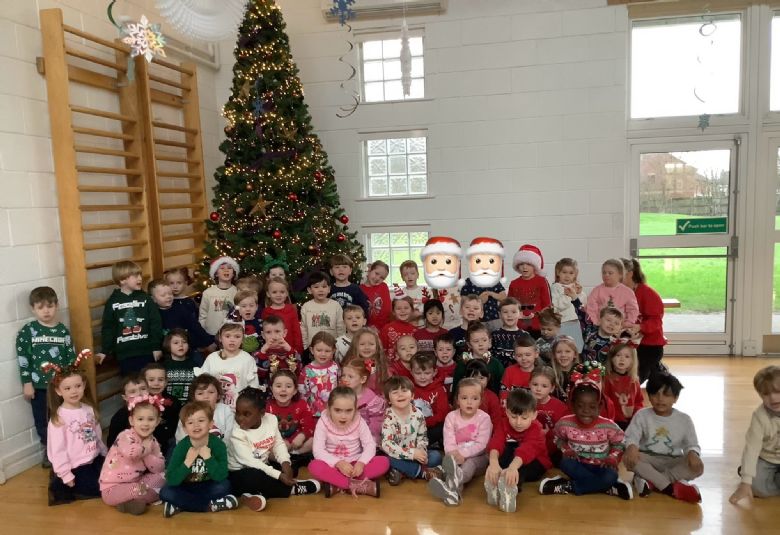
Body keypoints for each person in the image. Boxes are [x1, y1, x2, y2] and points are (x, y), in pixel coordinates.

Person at [539, 370, 632, 500]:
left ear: (600, 406)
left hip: (601, 466)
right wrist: (567, 449)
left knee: (611, 475)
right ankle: (606, 486)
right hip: (578, 465)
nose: (586, 411)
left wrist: (612, 457)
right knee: (565, 463)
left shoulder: (608, 426)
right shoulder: (565, 423)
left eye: (592, 407)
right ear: (572, 405)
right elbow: (557, 437)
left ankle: (568, 486)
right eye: (580, 406)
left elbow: (620, 442)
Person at [228, 387, 320, 512]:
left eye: (246, 414)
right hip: (241, 473)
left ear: (262, 413)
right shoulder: (237, 433)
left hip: (263, 465)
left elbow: (278, 444)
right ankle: (293, 489)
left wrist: (285, 463)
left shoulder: (271, 419)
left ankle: (251, 495)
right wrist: (279, 475)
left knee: (292, 469)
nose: (240, 418)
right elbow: (251, 462)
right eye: (237, 413)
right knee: (255, 477)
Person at [16, 286, 77, 468]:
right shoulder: (28, 331)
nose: (46, 311)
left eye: (50, 306)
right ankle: (49, 450)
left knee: (64, 417)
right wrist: (27, 382)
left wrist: (72, 381)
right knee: (42, 420)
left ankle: (69, 448)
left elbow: (71, 357)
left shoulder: (62, 331)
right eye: (40, 307)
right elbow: (23, 359)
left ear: (56, 306)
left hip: (61, 387)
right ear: (33, 309)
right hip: (40, 387)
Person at [624, 372, 703, 503]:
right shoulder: (642, 415)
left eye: (666, 395)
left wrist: (693, 453)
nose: (660, 399)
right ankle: (670, 489)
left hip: (673, 461)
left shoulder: (684, 419)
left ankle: (652, 482)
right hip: (648, 459)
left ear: (676, 398)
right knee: (629, 458)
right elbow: (632, 436)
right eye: (655, 394)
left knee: (697, 467)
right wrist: (631, 447)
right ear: (649, 396)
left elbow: (692, 444)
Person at [46, 353, 107, 506]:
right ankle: (62, 481)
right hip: (76, 466)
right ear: (58, 391)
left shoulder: (88, 409)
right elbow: (57, 450)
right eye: (67, 388)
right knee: (103, 488)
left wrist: (104, 454)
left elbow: (96, 435)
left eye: (77, 386)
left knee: (114, 476)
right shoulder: (59, 418)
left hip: (94, 459)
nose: (74, 391)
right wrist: (66, 475)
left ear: (84, 386)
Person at [308, 387, 390, 497]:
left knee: (384, 462)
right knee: (314, 466)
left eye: (349, 411)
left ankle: (336, 485)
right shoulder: (323, 422)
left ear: (355, 409)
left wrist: (361, 463)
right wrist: (338, 463)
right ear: (328, 408)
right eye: (337, 410)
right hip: (333, 466)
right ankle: (355, 485)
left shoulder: (359, 421)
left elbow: (370, 445)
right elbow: (318, 450)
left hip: (355, 465)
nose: (343, 416)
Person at [160, 401, 237, 517]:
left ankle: (179, 505)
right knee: (165, 492)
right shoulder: (181, 447)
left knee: (225, 486)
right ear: (185, 429)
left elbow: (221, 476)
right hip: (186, 486)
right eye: (190, 422)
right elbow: (171, 479)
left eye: (201, 421)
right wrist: (187, 462)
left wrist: (208, 458)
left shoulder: (218, 445)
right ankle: (212, 506)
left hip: (209, 486)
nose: (196, 425)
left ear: (211, 424)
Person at [428, 378, 492, 506]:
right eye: (464, 398)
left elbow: (482, 445)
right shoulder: (451, 417)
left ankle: (454, 479)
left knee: (470, 464)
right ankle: (453, 493)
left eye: (474, 398)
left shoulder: (484, 418)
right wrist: (454, 456)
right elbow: (448, 441)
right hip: (455, 457)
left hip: (478, 458)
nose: (469, 402)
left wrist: (463, 454)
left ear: (480, 401)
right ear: (457, 400)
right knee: (450, 464)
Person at [485, 389, 551, 513]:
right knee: (503, 451)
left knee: (521, 465)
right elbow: (496, 442)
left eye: (524, 418)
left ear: (534, 415)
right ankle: (496, 481)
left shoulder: (536, 429)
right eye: (514, 417)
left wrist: (512, 468)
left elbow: (526, 451)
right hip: (513, 458)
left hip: (535, 462)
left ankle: (510, 489)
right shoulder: (503, 423)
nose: (518, 422)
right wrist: (493, 463)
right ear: (507, 412)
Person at [99, 394, 166, 515]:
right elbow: (132, 454)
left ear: (157, 421)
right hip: (112, 488)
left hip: (136, 482)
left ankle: (130, 503)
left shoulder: (152, 441)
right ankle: (150, 496)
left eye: (150, 419)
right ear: (131, 421)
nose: (145, 424)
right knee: (139, 490)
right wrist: (145, 448)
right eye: (140, 419)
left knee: (164, 476)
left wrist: (147, 453)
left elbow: (158, 467)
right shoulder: (125, 436)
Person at [98, 261, 162, 375]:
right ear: (122, 280)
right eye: (135, 276)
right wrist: (105, 351)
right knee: (131, 382)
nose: (140, 278)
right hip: (124, 354)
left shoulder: (146, 299)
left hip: (146, 351)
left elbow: (155, 323)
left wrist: (156, 347)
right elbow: (108, 328)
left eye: (140, 275)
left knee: (149, 380)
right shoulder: (112, 302)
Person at [729, 365, 780, 504]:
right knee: (756, 489)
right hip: (766, 458)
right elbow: (751, 449)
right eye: (766, 394)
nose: (773, 398)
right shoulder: (759, 417)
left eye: (778, 392)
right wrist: (746, 482)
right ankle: (748, 471)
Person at [381, 376, 444, 486]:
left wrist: (421, 451)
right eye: (395, 392)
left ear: (412, 396)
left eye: (404, 391)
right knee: (385, 460)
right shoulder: (388, 417)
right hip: (397, 455)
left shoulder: (418, 414)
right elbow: (387, 444)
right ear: (388, 400)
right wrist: (411, 454)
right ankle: (422, 473)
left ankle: (403, 472)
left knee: (436, 456)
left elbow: (422, 437)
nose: (400, 395)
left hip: (416, 455)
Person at [621, 258, 667, 383]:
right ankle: (655, 368)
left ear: (630, 274)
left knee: (634, 380)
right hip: (628, 342)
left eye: (619, 273)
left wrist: (640, 327)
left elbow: (656, 322)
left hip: (649, 345)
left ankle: (655, 368)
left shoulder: (648, 293)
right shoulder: (617, 293)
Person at [198, 322, 260, 410]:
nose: (232, 340)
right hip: (215, 408)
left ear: (243, 339)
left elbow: (253, 386)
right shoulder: (212, 358)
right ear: (220, 338)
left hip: (239, 409)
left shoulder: (247, 359)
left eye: (237, 337)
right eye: (227, 336)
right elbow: (203, 382)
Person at [266, 370, 316, 476]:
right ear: (271, 389)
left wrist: (302, 436)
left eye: (288, 386)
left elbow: (310, 425)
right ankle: (287, 461)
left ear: (295, 390)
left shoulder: (301, 404)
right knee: (265, 450)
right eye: (278, 386)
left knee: (314, 441)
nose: (283, 389)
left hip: (296, 444)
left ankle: (293, 456)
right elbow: (265, 430)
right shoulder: (267, 406)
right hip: (276, 444)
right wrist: (280, 443)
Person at [151, 279, 214, 359]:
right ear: (153, 299)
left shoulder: (181, 310)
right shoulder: (153, 314)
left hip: (187, 350)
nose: (168, 297)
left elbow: (195, 326)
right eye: (163, 295)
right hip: (166, 354)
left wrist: (209, 341)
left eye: (170, 293)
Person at [507, 244, 551, 338]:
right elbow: (509, 306)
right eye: (521, 264)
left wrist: (546, 325)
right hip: (518, 327)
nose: (524, 267)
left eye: (528, 264)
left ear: (535, 266)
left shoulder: (542, 281)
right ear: (517, 266)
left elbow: (547, 305)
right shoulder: (514, 284)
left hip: (538, 327)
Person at [175, 374, 234, 442]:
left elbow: (230, 437)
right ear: (194, 397)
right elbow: (181, 439)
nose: (206, 396)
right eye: (200, 393)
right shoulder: (187, 412)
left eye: (211, 392)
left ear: (218, 395)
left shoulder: (226, 410)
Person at [341, 357, 386, 443]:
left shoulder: (372, 399)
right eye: (343, 375)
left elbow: (376, 422)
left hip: (366, 436)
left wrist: (366, 436)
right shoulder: (340, 394)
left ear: (363, 379)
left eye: (350, 376)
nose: (345, 379)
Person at [453, 322, 505, 395]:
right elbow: (456, 389)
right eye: (476, 341)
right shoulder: (462, 364)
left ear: (490, 342)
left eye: (484, 340)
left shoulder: (496, 365)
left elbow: (501, 390)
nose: (480, 344)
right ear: (469, 344)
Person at [142, 363, 182, 455]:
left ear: (166, 382)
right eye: (151, 380)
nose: (156, 383)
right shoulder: (140, 403)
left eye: (160, 380)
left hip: (169, 445)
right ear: (143, 382)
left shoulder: (174, 402)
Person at [410, 352, 449, 448]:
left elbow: (442, 414)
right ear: (411, 372)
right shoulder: (408, 388)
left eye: (427, 373)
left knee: (443, 427)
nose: (422, 377)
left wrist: (423, 423)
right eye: (418, 373)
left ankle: (420, 446)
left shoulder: (440, 390)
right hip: (412, 427)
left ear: (434, 372)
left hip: (431, 428)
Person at [300, 272, 345, 352]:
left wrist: (339, 347)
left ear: (329, 289)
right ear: (309, 290)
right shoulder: (306, 307)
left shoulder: (335, 305)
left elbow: (341, 327)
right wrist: (305, 347)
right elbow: (304, 329)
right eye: (316, 287)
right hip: (313, 349)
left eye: (324, 286)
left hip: (332, 348)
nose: (321, 290)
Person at [586, 259, 639, 327]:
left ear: (620, 275)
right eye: (604, 273)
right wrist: (595, 323)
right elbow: (591, 309)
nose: (606, 275)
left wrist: (629, 322)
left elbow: (633, 310)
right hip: (600, 327)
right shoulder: (596, 291)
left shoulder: (628, 292)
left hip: (620, 327)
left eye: (610, 273)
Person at [298, 331, 340, 418]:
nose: (323, 354)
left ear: (333, 351)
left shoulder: (336, 367)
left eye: (327, 351)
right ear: (312, 350)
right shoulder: (307, 370)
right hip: (314, 414)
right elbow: (302, 392)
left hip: (334, 412)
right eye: (319, 350)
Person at [530, 366, 567, 461]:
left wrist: (549, 433)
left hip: (552, 448)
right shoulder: (525, 403)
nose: (538, 389)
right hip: (529, 445)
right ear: (529, 384)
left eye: (544, 386)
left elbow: (563, 432)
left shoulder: (559, 407)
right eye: (535, 384)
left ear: (552, 388)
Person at [255, 314, 302, 391]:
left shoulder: (291, 351)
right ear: (263, 335)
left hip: (289, 391)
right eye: (268, 332)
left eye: (277, 331)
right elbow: (259, 375)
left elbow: (298, 369)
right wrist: (263, 352)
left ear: (284, 333)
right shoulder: (259, 354)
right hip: (268, 392)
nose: (273, 336)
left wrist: (289, 350)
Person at [604, 342, 643, 430]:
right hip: (612, 421)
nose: (622, 359)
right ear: (611, 358)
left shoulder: (634, 380)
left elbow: (639, 401)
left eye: (627, 356)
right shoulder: (607, 379)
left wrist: (637, 416)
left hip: (631, 421)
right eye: (618, 355)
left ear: (632, 361)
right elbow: (604, 402)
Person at [550, 258, 587, 352]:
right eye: (564, 272)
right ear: (558, 272)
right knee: (562, 348)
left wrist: (579, 293)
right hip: (563, 323)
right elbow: (557, 306)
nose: (567, 276)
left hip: (577, 323)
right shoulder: (555, 287)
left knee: (577, 349)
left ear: (575, 274)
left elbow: (582, 306)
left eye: (571, 273)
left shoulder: (575, 287)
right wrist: (570, 295)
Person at [261, 276, 303, 355]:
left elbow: (297, 331)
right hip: (272, 351)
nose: (278, 295)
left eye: (282, 292)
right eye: (274, 292)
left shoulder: (291, 310)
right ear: (268, 294)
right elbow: (265, 332)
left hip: (290, 349)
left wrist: (297, 350)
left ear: (287, 293)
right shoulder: (266, 312)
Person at [199, 256, 239, 336]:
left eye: (229, 268)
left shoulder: (237, 292)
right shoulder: (208, 293)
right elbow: (203, 315)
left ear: (233, 273)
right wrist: (205, 330)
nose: (226, 270)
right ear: (216, 273)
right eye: (222, 268)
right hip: (211, 333)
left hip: (232, 334)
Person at [106, 373, 149, 448]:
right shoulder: (119, 418)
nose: (139, 394)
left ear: (148, 391)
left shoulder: (156, 410)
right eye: (133, 391)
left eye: (143, 389)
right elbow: (112, 444)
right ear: (125, 397)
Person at [344, 328, 388, 394]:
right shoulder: (350, 365)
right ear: (355, 346)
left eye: (371, 344)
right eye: (362, 344)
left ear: (377, 346)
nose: (367, 347)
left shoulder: (381, 364)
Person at [491, 297, 529, 368]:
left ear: (520, 314)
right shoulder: (494, 335)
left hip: (519, 370)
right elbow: (491, 356)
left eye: (513, 312)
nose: (509, 315)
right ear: (499, 314)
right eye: (505, 312)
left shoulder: (525, 335)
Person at [392, 259, 430, 327]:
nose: (409, 277)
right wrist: (412, 315)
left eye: (412, 273)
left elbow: (430, 308)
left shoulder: (425, 291)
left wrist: (420, 314)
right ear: (402, 277)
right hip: (406, 326)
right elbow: (397, 312)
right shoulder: (401, 294)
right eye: (406, 274)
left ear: (418, 275)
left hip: (423, 326)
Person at [163, 329, 196, 404]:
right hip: (169, 406)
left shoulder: (195, 365)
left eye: (184, 342)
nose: (181, 345)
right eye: (176, 343)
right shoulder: (163, 366)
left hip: (189, 406)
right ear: (168, 345)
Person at [465, 359, 503, 426]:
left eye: (481, 378)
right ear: (466, 378)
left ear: (488, 378)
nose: (477, 381)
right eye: (473, 378)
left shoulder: (492, 397)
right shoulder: (462, 394)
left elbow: (496, 421)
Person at [380, 296, 417, 361]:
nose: (402, 311)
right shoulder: (387, 329)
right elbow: (382, 350)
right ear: (393, 311)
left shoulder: (415, 330)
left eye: (406, 308)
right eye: (398, 308)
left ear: (412, 310)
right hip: (391, 365)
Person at [360, 260, 392, 331]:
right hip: (364, 329)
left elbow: (387, 310)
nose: (377, 278)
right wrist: (367, 327)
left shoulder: (383, 286)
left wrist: (378, 327)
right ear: (370, 270)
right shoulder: (359, 289)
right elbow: (359, 312)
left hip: (382, 328)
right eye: (376, 273)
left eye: (382, 278)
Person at [551, 335, 580, 403]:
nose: (563, 355)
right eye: (559, 352)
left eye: (567, 351)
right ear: (554, 355)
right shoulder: (550, 373)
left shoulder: (581, 371)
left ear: (575, 354)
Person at [233, 289, 263, 357]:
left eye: (251, 306)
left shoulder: (261, 323)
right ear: (237, 308)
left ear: (256, 307)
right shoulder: (233, 325)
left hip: (257, 357)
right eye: (244, 306)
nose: (248, 309)